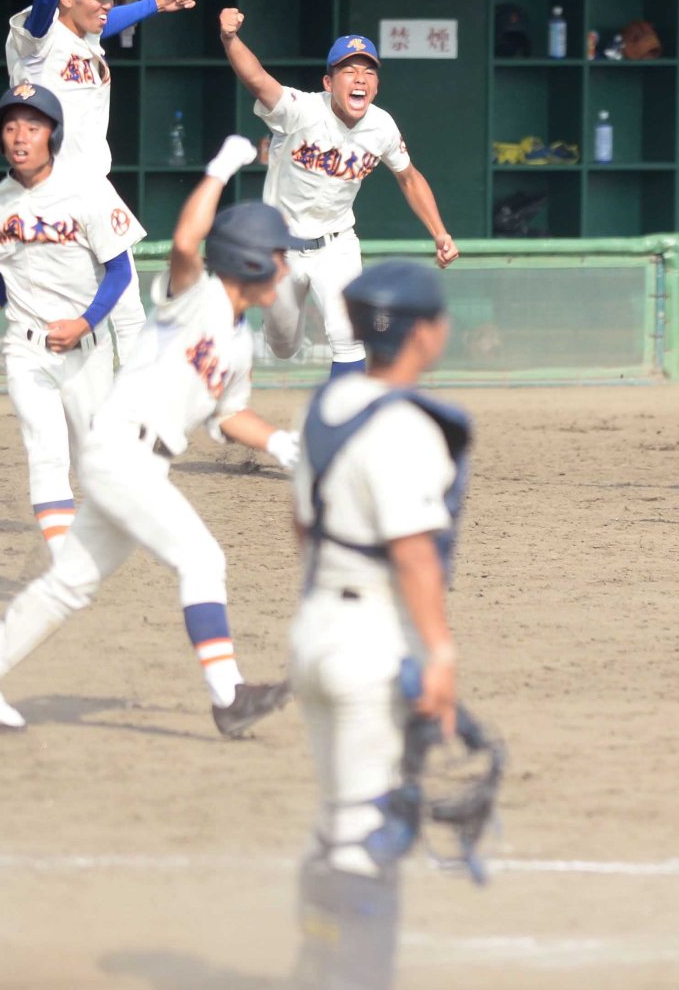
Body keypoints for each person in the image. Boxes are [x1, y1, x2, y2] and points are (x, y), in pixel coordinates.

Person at [0, 138, 300, 737]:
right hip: (120, 450)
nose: (286, 266)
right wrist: (219, 168)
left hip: (145, 463)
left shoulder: (241, 342)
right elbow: (188, 243)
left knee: (69, 585)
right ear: (248, 259)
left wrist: (279, 443)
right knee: (202, 557)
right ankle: (228, 696)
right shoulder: (198, 298)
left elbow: (227, 418)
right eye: (278, 255)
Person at [288, 259, 471, 988]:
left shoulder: (326, 407)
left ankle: (316, 969)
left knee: (340, 821)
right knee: (368, 833)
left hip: (315, 629)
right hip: (367, 639)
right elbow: (414, 555)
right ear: (425, 333)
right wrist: (439, 652)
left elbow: (300, 528)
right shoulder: (404, 426)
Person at [221, 8, 458, 377]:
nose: (359, 78)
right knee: (283, 347)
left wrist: (440, 233)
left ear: (376, 86)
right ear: (329, 83)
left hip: (336, 244)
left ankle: (342, 422)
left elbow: (409, 177)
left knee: (350, 334)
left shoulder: (382, 126)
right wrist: (230, 39)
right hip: (281, 248)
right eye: (348, 70)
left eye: (368, 71)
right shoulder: (301, 110)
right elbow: (256, 79)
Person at [6, 0, 196, 354]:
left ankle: (129, 414)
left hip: (90, 187)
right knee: (79, 311)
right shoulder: (39, 38)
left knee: (126, 310)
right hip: (53, 192)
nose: (107, 2)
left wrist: (157, 3)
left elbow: (105, 24)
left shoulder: (82, 37)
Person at [0, 83, 140, 552]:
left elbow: (120, 270)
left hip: (86, 349)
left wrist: (85, 322)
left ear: (53, 135)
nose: (20, 136)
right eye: (11, 126)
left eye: (33, 125)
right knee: (44, 452)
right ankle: (65, 560)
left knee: (96, 461)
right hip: (24, 348)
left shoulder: (89, 192)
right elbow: (11, 266)